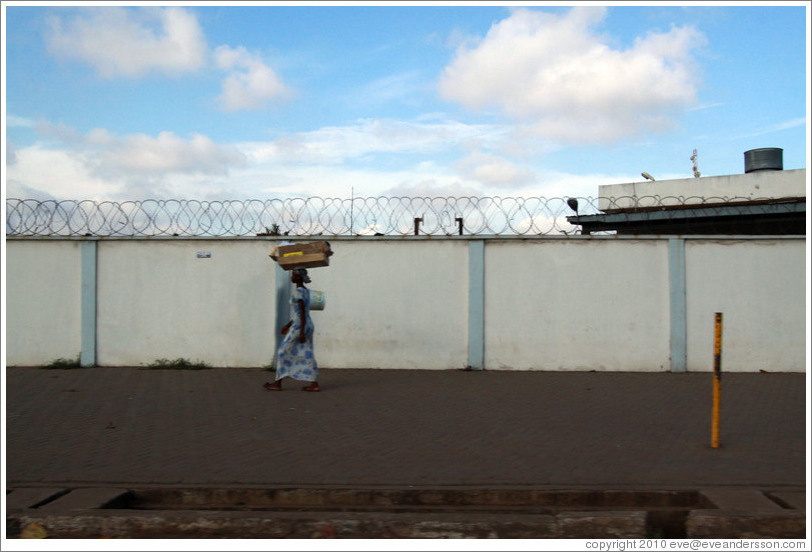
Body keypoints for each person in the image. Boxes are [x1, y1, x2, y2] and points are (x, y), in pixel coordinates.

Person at [264, 268, 320, 392]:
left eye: (293, 275)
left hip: (300, 326)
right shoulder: (307, 291)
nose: (291, 277)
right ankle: (313, 384)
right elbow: (301, 313)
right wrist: (288, 325)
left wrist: (300, 332)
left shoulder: (297, 292)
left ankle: (277, 383)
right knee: (307, 353)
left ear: (299, 277)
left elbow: (300, 312)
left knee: (282, 352)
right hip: (308, 325)